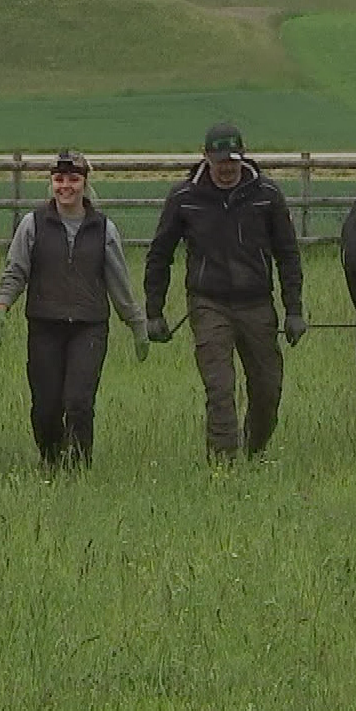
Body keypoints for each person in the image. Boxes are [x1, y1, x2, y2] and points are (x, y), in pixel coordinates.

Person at [143, 122, 307, 462]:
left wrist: (293, 310)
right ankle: (224, 464)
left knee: (267, 389)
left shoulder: (267, 195)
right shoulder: (184, 198)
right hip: (209, 304)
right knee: (220, 388)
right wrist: (154, 312)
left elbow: (288, 254)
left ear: (242, 157)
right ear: (206, 157)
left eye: (233, 160)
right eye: (220, 161)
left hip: (257, 303)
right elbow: (160, 254)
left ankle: (255, 449)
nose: (227, 168)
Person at [0, 150, 151, 469]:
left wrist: (136, 323)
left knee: (78, 402)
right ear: (51, 183)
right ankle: (50, 459)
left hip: (89, 327)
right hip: (45, 324)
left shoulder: (104, 229)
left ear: (85, 184)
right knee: (46, 406)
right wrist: (1, 308)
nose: (66, 187)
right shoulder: (33, 224)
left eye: (74, 180)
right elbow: (15, 270)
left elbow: (119, 281)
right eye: (59, 180)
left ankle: (76, 467)